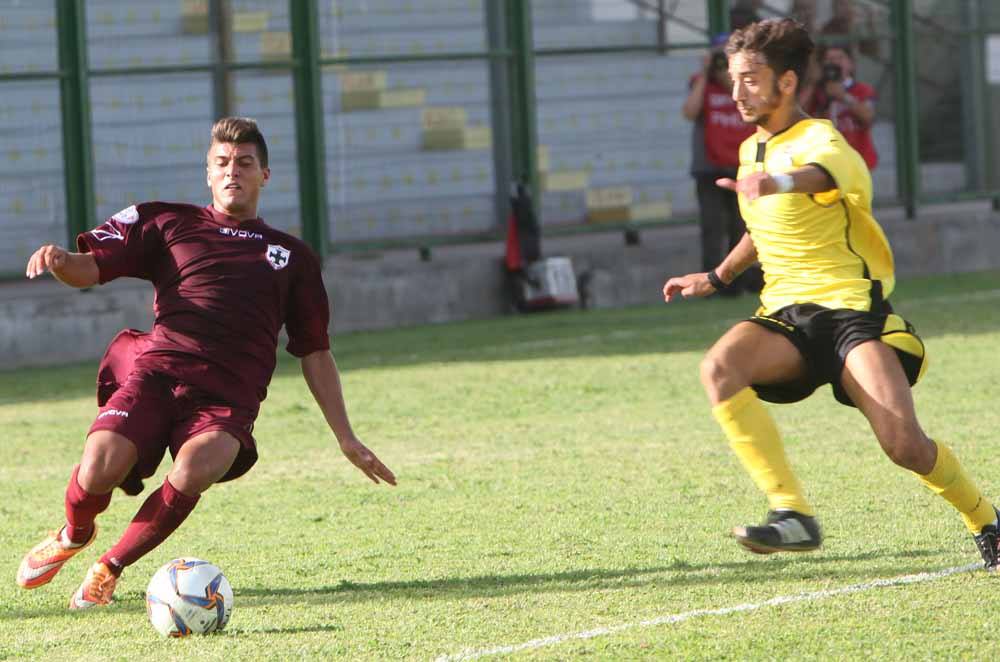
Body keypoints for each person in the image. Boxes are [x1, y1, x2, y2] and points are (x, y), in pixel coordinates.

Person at [16, 117, 397, 608]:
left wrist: (346, 436)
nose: (232, 171)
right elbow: (92, 266)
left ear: (265, 175)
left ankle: (108, 567)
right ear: (207, 173)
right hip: (158, 374)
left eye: (244, 163)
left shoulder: (291, 256)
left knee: (200, 463)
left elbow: (315, 351)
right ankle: (74, 532)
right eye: (222, 163)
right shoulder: (169, 224)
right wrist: (61, 260)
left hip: (226, 399)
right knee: (98, 467)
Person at [662, 19, 1000, 569]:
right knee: (718, 369)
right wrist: (718, 277)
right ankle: (792, 513)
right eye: (733, 78)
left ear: (787, 82)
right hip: (786, 316)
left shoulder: (819, 138)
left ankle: (985, 517)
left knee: (905, 446)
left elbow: (829, 176)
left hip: (849, 313)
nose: (737, 91)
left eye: (751, 79)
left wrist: (780, 181)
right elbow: (761, 229)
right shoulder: (751, 150)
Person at [682, 35, 759, 296]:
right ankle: (709, 283)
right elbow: (689, 111)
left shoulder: (742, 84)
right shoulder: (701, 83)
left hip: (740, 166)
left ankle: (737, 282)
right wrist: (705, 74)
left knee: (741, 226)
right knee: (712, 226)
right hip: (709, 166)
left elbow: (745, 103)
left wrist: (728, 76)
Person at [805, 43, 878, 170]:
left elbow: (868, 117)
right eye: (829, 59)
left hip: (859, 159)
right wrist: (813, 83)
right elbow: (802, 113)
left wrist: (843, 96)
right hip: (826, 160)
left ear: (850, 64)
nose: (834, 63)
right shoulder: (816, 90)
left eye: (839, 58)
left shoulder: (862, 90)